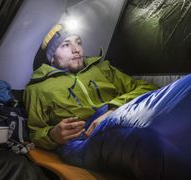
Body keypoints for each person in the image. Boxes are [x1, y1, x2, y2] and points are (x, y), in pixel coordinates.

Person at [23, 24, 158, 150]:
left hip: (125, 118)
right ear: (52, 58)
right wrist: (53, 135)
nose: (76, 50)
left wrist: (113, 109)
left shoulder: (103, 68)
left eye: (79, 43)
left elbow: (148, 88)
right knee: (144, 142)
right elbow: (35, 133)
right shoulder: (38, 88)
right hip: (81, 140)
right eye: (65, 45)